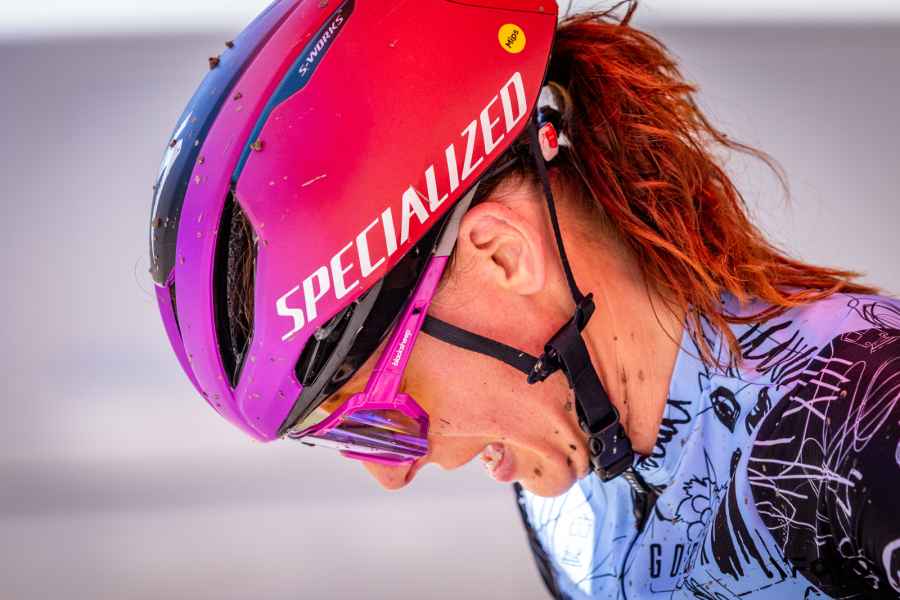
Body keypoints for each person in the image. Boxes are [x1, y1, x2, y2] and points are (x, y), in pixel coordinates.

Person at [149, 1, 900, 598]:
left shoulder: (862, 415)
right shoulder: (568, 507)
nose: (392, 473)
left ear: (504, 255)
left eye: (376, 418)